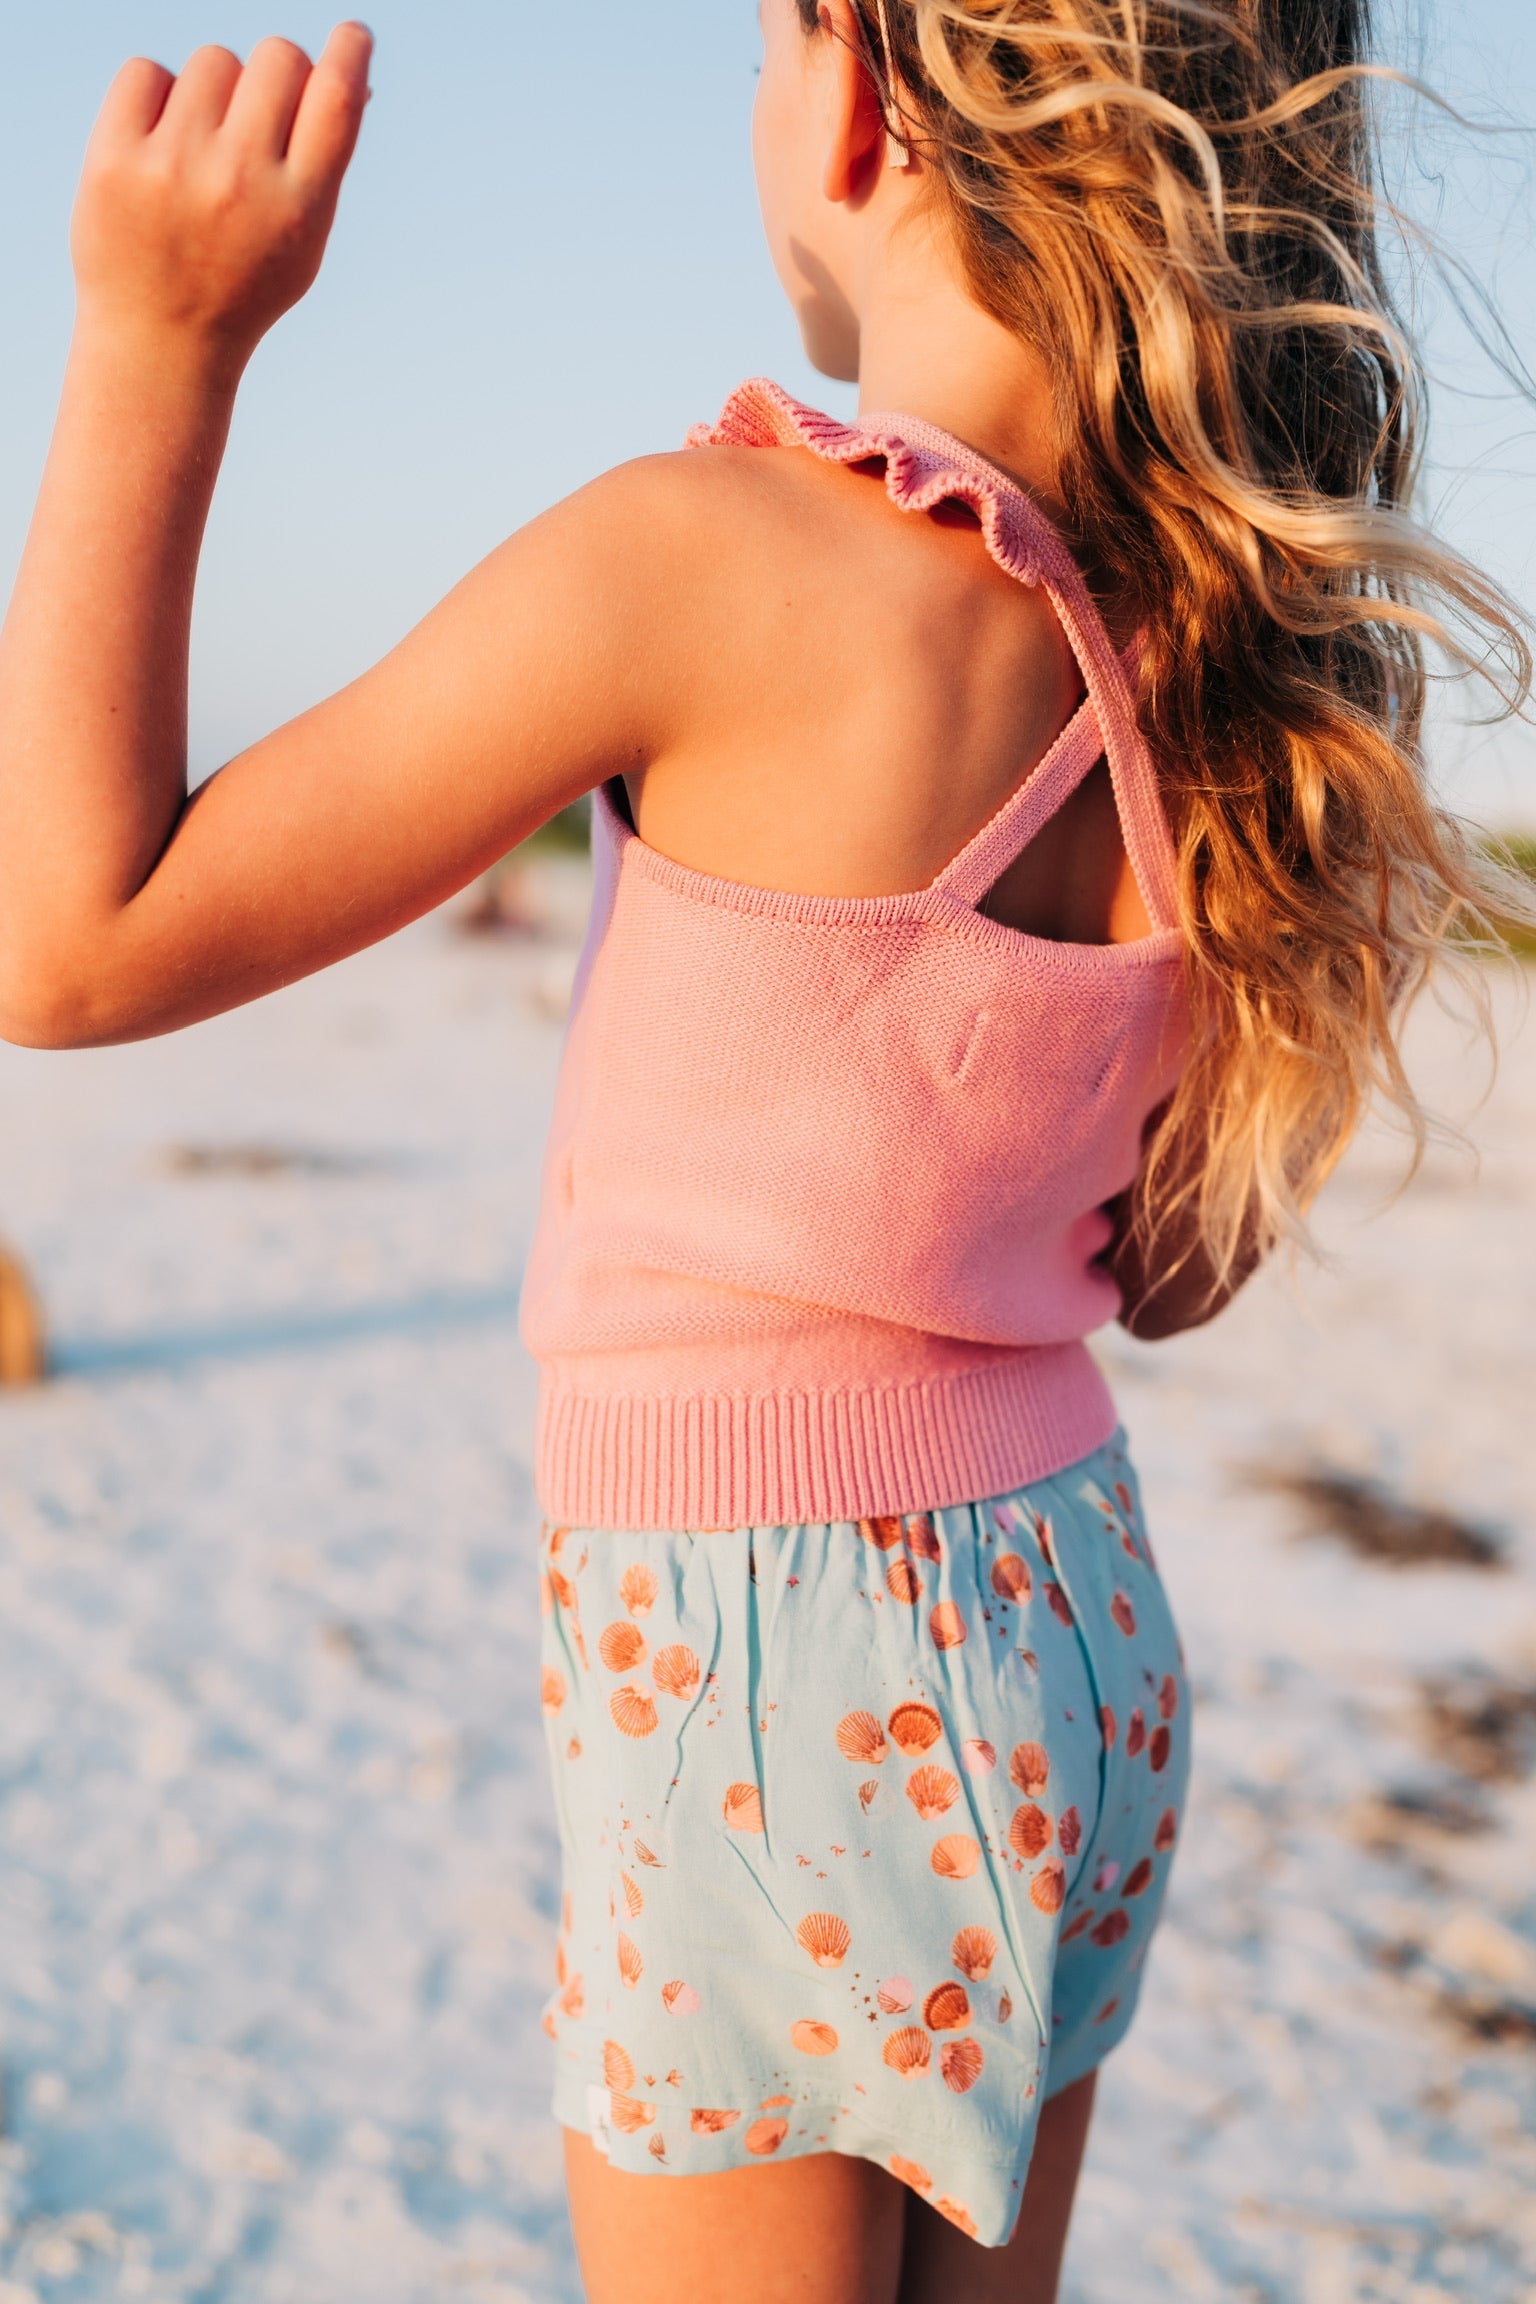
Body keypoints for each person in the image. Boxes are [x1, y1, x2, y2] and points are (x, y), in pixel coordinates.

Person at [0, 7, 1528, 2299]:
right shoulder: (1202, 657)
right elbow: (1168, 1254)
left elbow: (74, 940)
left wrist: (159, 337)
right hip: (1072, 1611)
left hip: (764, 1665)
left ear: (862, 100)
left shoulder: (714, 556)